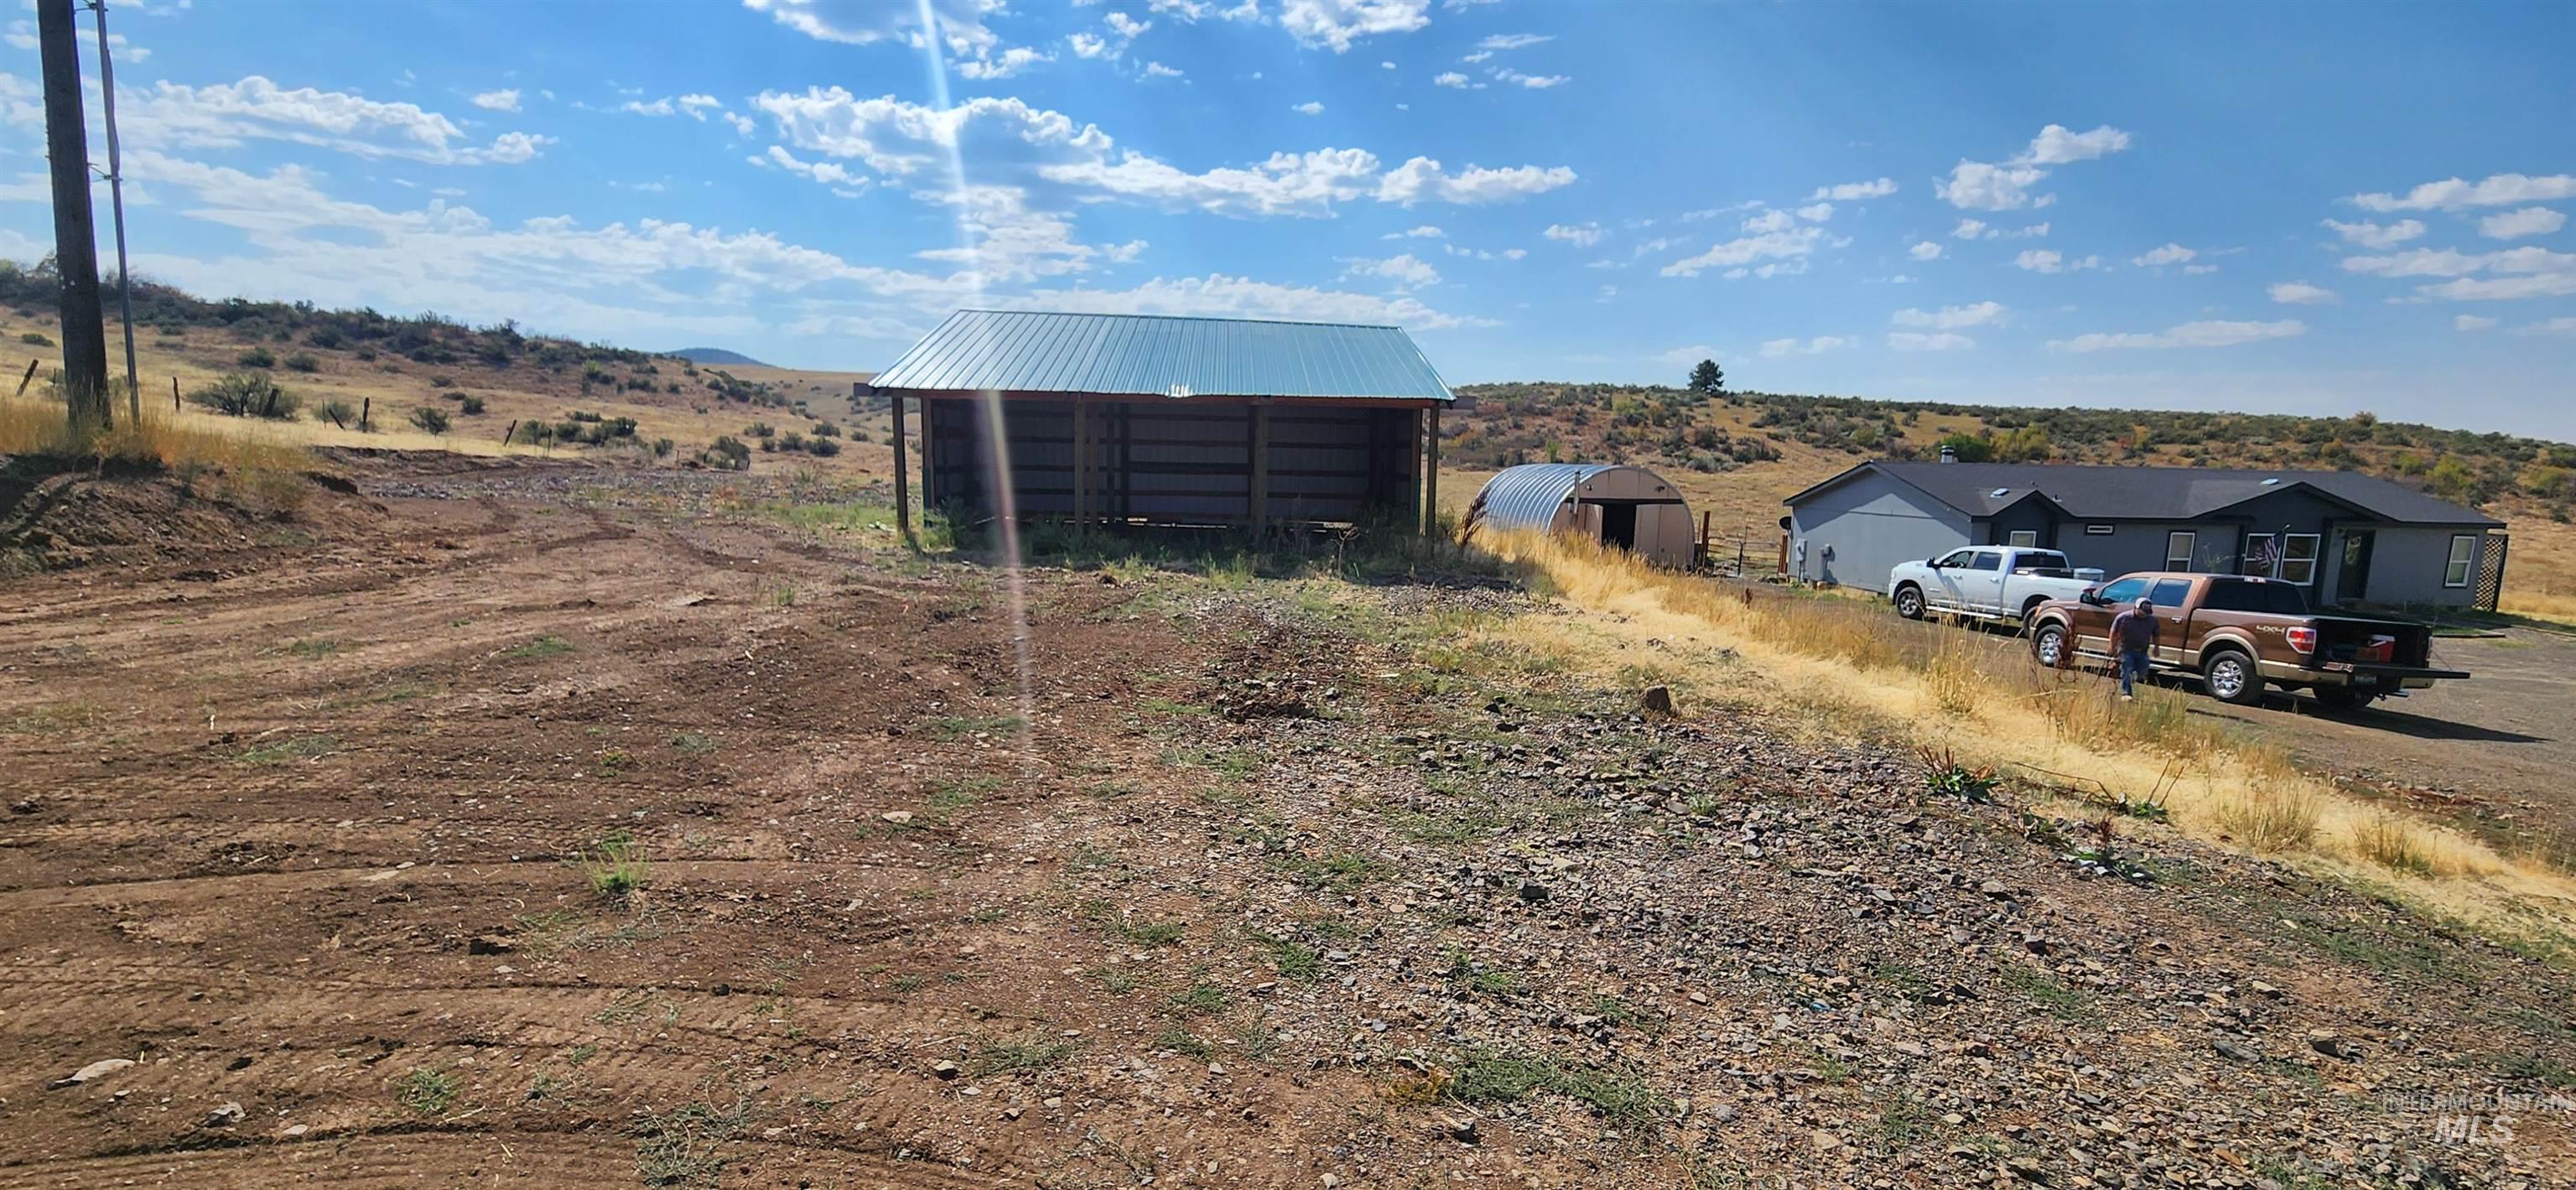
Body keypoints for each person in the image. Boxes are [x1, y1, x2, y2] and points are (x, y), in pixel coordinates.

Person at [2108, 596, 2158, 700]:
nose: (2144, 614)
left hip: (2142, 650)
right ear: (2136, 607)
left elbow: (2156, 634)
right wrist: (2112, 646)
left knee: (2143, 670)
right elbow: (2113, 631)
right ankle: (2126, 693)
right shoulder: (2123, 617)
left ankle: (2130, 679)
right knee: (2127, 669)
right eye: (2142, 611)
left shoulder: (2152, 620)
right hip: (2126, 649)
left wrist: (2157, 647)